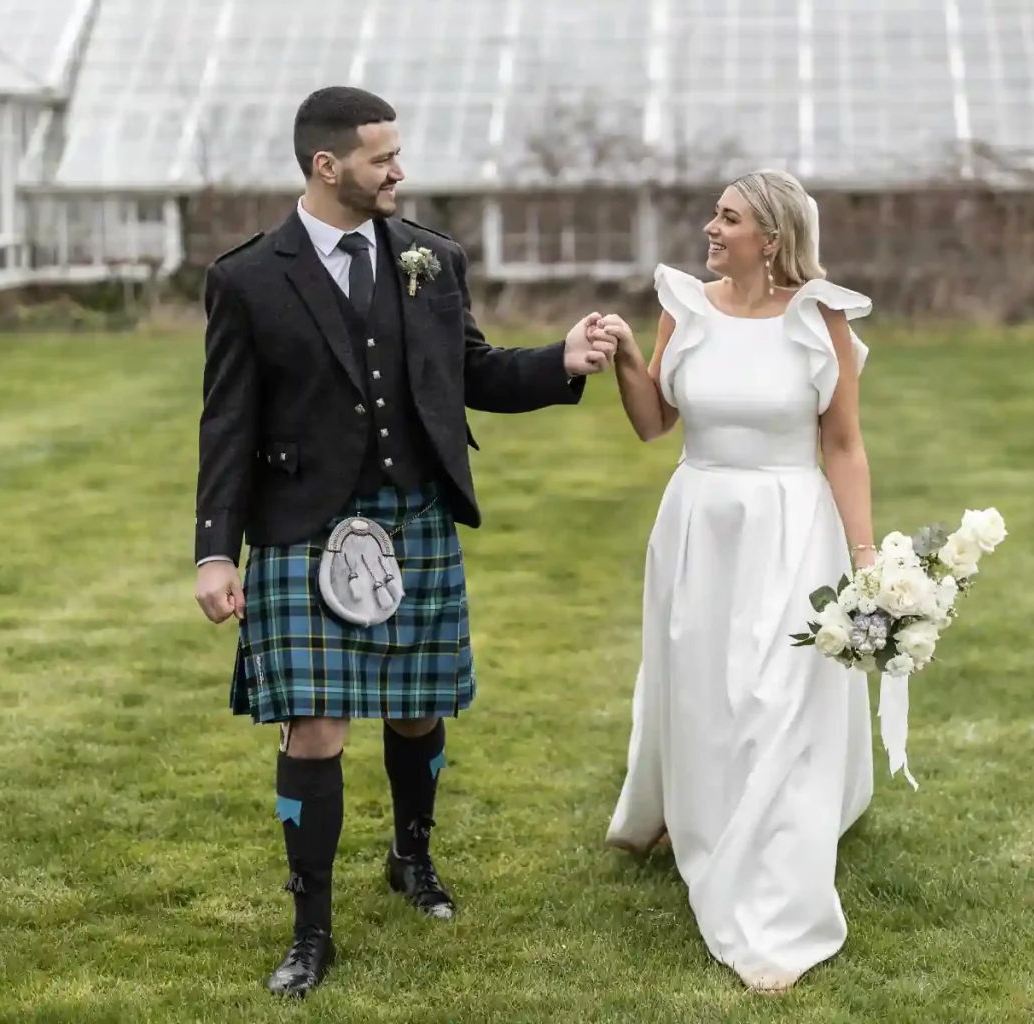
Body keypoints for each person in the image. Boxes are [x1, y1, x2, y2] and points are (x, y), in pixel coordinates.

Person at [192, 85, 615, 999]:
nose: (400, 170)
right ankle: (311, 930)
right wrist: (215, 552)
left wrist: (560, 362)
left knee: (418, 706)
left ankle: (411, 859)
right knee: (315, 726)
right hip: (305, 527)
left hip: (413, 512)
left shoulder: (431, 258)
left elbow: (471, 373)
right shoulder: (248, 278)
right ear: (327, 165)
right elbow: (226, 423)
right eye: (384, 157)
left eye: (398, 153)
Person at [594, 170, 879, 992]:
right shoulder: (684, 306)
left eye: (729, 218)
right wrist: (621, 360)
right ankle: (689, 811)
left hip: (791, 526)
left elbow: (845, 446)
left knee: (775, 696)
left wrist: (864, 561)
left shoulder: (820, 317)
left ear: (775, 237)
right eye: (715, 216)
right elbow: (656, 424)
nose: (710, 229)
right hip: (698, 522)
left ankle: (775, 910)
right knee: (701, 687)